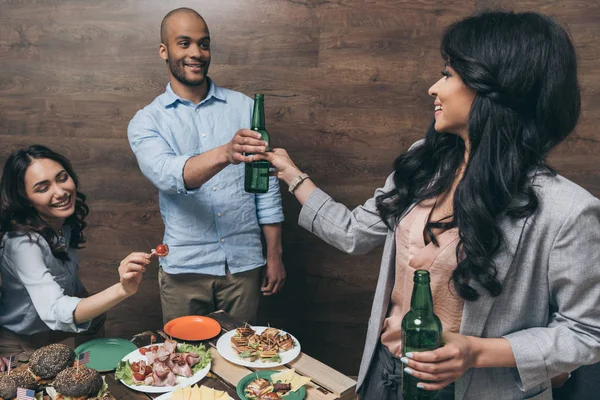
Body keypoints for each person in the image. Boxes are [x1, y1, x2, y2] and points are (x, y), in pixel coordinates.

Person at [246, 10, 600, 400]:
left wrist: (477, 352)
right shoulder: (423, 163)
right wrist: (292, 174)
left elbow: (586, 333)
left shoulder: (567, 209)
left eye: (448, 74)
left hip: (476, 390)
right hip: (385, 372)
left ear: (494, 86)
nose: (434, 87)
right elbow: (353, 232)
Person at [127, 7, 285, 325]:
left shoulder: (244, 107)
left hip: (244, 264)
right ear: (164, 50)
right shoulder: (147, 121)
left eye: (204, 44)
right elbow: (170, 176)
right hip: (184, 269)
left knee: (243, 358)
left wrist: (274, 254)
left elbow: (265, 186)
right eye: (184, 43)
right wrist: (225, 152)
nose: (196, 53)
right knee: (184, 365)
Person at [0, 145, 150, 359]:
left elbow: (67, 282)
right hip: (19, 343)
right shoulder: (22, 244)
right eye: (42, 188)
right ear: (24, 199)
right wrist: (122, 289)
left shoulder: (61, 223)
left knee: (92, 382)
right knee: (31, 394)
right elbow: (53, 310)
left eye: (62, 178)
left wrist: (94, 311)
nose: (61, 192)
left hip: (54, 332)